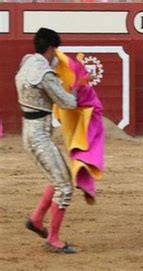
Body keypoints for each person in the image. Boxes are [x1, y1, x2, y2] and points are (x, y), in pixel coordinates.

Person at [15, 28, 78, 253]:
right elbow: (68, 103)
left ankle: (36, 220)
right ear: (52, 48)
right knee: (65, 186)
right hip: (39, 137)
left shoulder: (27, 62)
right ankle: (53, 239)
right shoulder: (44, 73)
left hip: (31, 133)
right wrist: (79, 87)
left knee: (59, 177)